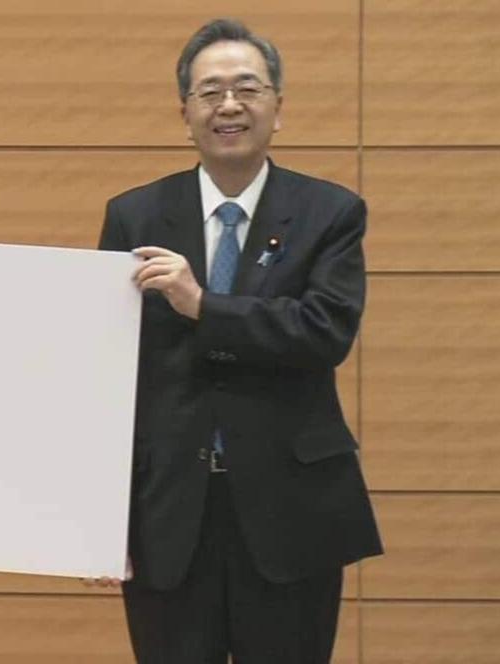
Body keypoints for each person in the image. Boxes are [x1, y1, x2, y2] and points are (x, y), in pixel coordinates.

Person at [97, 19, 383, 663]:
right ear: (186, 115)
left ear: (278, 107)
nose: (229, 105)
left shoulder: (330, 213)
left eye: (247, 89)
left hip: (291, 510)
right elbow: (108, 374)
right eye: (210, 92)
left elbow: (325, 331)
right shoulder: (135, 216)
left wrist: (202, 305)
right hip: (168, 512)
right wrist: (98, 520)